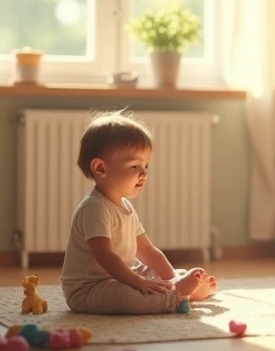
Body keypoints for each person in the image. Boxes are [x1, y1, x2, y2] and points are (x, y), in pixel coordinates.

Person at [61, 110, 217, 314]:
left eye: (146, 165)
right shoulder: (94, 208)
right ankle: (175, 296)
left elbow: (147, 250)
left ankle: (178, 286)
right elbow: (105, 256)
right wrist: (137, 282)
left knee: (151, 273)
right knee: (126, 296)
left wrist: (170, 277)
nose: (144, 173)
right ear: (100, 168)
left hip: (122, 274)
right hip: (89, 289)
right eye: (135, 166)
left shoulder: (125, 206)